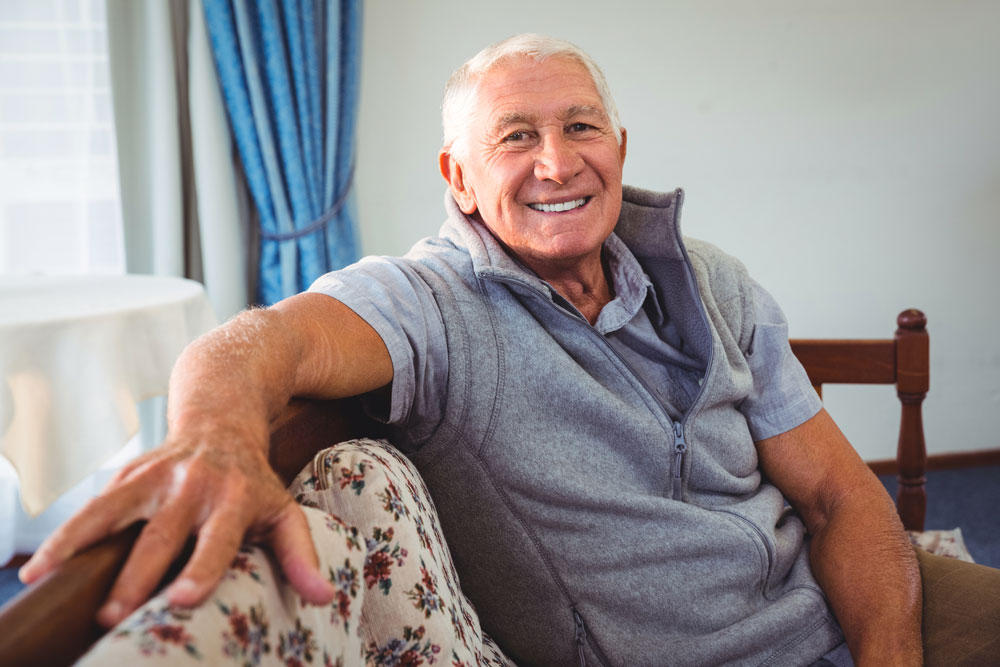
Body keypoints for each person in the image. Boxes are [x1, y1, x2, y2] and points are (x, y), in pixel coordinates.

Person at [19, 34, 999, 666]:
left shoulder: (711, 275)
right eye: (514, 136)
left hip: (844, 620)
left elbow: (838, 495)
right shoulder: (432, 303)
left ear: (619, 143)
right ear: (457, 176)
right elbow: (260, 339)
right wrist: (217, 433)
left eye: (580, 127)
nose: (555, 161)